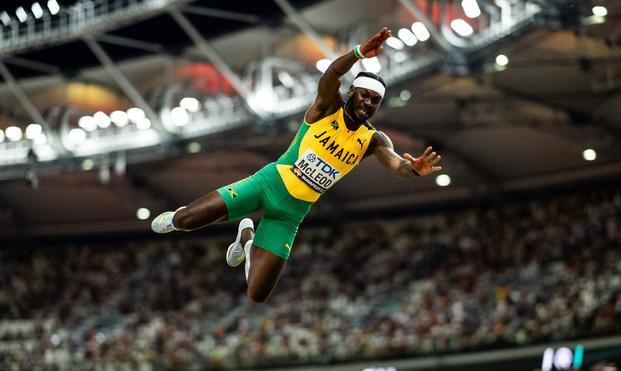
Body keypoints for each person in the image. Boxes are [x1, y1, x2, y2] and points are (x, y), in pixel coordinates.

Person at [151, 27, 442, 303]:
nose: (368, 102)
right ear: (352, 90)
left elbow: (396, 165)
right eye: (365, 94)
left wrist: (415, 169)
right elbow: (331, 73)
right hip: (267, 184)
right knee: (186, 222)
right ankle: (181, 217)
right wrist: (357, 53)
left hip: (290, 215)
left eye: (376, 101)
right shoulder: (327, 107)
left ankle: (248, 239)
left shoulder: (373, 140)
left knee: (257, 294)